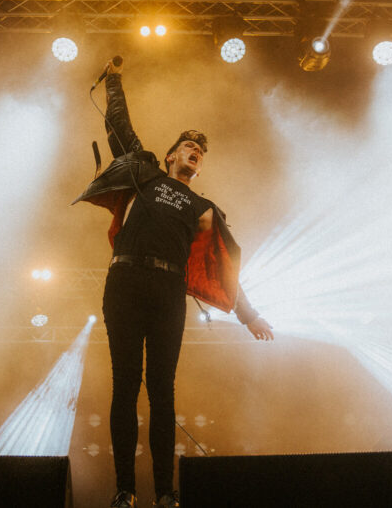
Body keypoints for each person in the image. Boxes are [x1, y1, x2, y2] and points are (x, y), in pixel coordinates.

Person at [73, 58, 274, 508]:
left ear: (199, 167)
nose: (194, 149)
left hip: (168, 292)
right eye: (187, 144)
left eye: (199, 149)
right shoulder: (145, 174)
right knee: (125, 383)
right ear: (170, 155)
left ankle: (165, 492)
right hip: (124, 280)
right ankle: (125, 490)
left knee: (162, 390)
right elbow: (119, 128)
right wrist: (115, 80)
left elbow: (225, 269)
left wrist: (249, 314)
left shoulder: (203, 207)